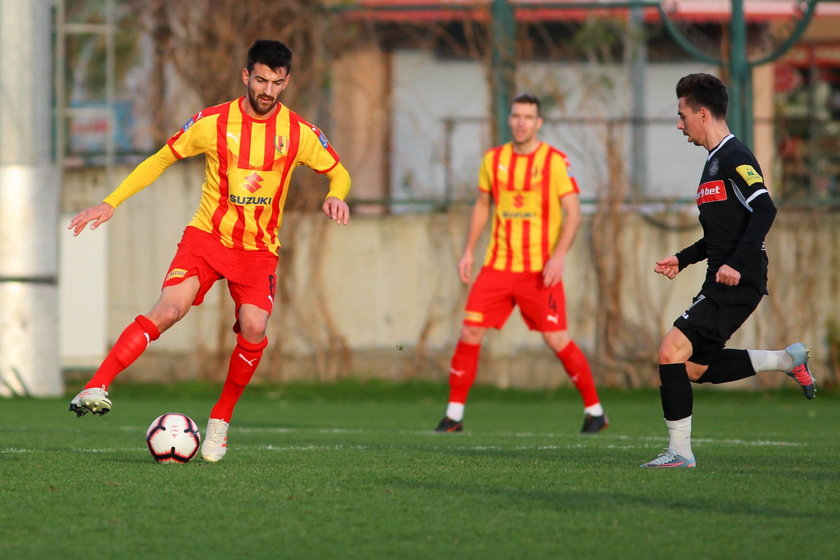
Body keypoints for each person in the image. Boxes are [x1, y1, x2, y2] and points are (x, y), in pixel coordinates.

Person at [67, 39, 351, 463]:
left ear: (287, 81)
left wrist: (337, 194)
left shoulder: (299, 133)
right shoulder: (213, 122)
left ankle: (220, 419)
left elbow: (338, 171)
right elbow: (161, 159)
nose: (267, 91)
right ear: (245, 76)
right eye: (260, 80)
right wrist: (112, 200)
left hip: (258, 251)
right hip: (207, 239)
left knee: (254, 326)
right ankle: (98, 384)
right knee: (169, 308)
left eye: (276, 82)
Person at [641, 73, 816, 469]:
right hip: (722, 276)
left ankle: (680, 453)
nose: (679, 124)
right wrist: (682, 258)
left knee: (670, 351)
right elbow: (718, 235)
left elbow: (765, 208)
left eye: (682, 115)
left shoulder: (735, 156)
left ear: (702, 113)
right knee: (692, 367)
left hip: (740, 278)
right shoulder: (712, 163)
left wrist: (738, 262)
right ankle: (787, 361)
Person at [434, 93, 608, 434]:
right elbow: (483, 205)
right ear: (509, 119)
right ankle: (453, 416)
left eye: (528, 117)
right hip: (497, 266)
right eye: (515, 116)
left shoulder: (555, 162)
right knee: (470, 330)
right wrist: (468, 250)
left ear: (538, 123)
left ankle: (595, 411)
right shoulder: (493, 159)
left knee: (557, 340)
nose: (520, 122)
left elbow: (573, 211)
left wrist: (558, 257)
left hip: (539, 269)